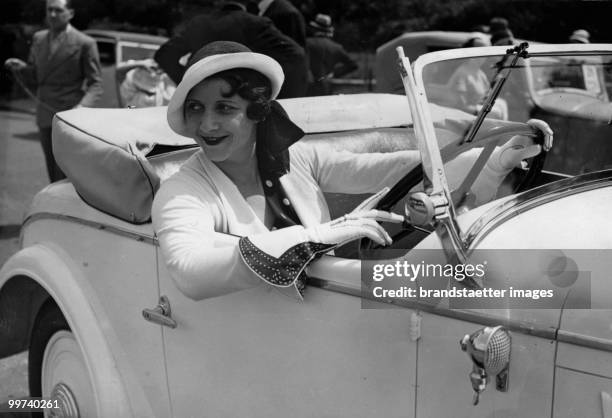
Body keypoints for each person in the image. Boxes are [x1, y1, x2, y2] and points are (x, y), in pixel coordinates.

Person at [152, 41, 552, 302]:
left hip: (322, 319)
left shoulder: (296, 158)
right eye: (196, 108)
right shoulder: (182, 190)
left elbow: (392, 169)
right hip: (244, 349)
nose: (206, 125)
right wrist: (317, 236)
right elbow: (190, 273)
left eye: (224, 109)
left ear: (257, 113)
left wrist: (497, 159)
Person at [4, 0, 102, 182]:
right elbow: (36, 74)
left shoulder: (85, 43)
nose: (53, 14)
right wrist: (22, 67)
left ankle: (69, 208)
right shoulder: (39, 38)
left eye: (58, 10)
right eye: (49, 10)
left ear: (70, 13)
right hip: (44, 112)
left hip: (68, 115)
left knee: (67, 171)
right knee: (51, 168)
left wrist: (81, 107)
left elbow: (96, 84)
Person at [154, 0, 308, 98]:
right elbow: (296, 55)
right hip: (241, 98)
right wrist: (264, 85)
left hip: (199, 96)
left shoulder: (200, 23)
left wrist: (190, 81)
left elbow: (164, 54)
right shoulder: (255, 24)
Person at [305, 14, 358, 96]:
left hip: (307, 87)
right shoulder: (336, 47)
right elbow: (353, 65)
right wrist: (334, 74)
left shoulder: (306, 44)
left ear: (314, 29)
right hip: (326, 88)